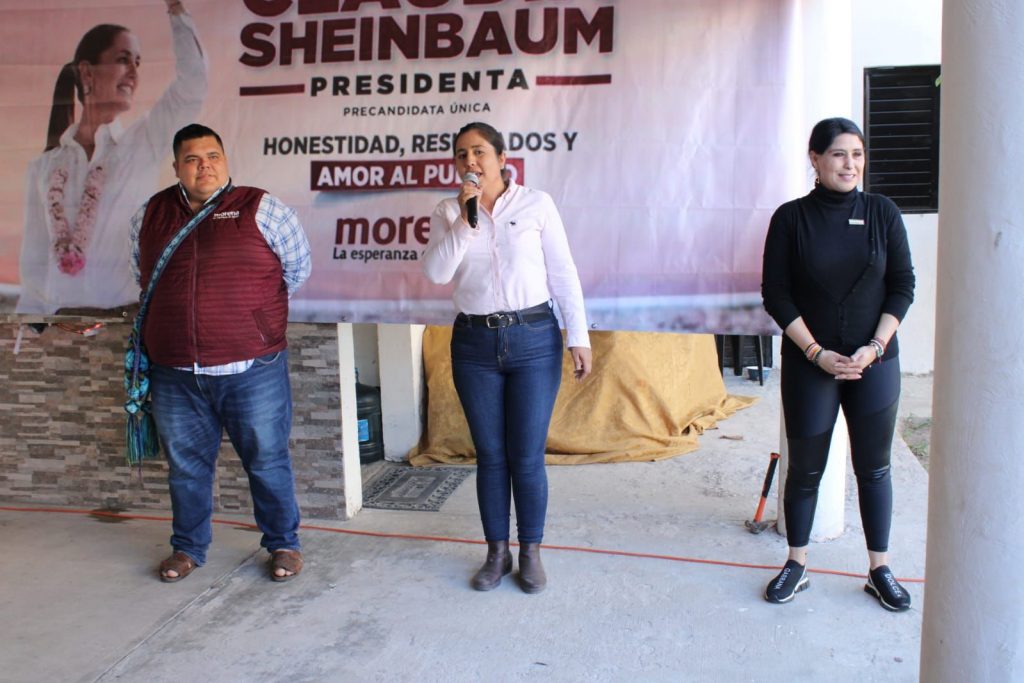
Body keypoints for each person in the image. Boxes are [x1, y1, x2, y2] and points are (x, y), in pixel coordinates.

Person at [129, 123, 312, 583]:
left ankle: (283, 544)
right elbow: (142, 275)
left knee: (267, 460)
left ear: (226, 161)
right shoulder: (149, 215)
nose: (204, 166)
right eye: (192, 159)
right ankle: (187, 548)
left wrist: (250, 317)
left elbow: (297, 269)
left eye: (212, 156)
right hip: (174, 371)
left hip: (251, 367)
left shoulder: (261, 208)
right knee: (186, 469)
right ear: (177, 167)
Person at [423, 122, 593, 594]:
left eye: (479, 152)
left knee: (527, 454)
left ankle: (530, 551)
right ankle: (496, 552)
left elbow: (563, 272)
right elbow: (437, 273)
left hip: (533, 338)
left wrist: (578, 336)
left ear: (501, 158)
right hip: (474, 345)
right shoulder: (448, 211)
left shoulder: (536, 204)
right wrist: (465, 220)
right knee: (491, 455)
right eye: (462, 154)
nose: (470, 161)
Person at [761, 117, 915, 611]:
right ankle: (797, 562)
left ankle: (879, 568)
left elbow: (903, 285)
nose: (850, 164)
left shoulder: (882, 212)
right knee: (805, 469)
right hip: (811, 362)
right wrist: (816, 353)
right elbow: (776, 294)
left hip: (875, 362)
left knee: (874, 469)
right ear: (815, 159)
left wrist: (875, 347)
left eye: (857, 154)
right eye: (838, 154)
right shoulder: (791, 219)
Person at [17, 0, 206, 314]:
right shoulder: (44, 167)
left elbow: (193, 86)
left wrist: (175, 9)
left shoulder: (143, 143)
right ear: (86, 72)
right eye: (122, 59)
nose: (133, 72)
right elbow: (34, 263)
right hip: (60, 326)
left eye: (138, 63)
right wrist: (34, 330)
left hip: (121, 324)